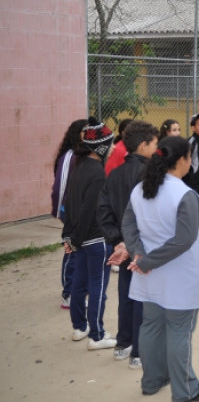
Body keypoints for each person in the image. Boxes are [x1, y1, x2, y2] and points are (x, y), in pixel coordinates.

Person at [121, 136, 199, 401]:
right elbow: (184, 240)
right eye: (189, 157)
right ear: (182, 160)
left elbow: (128, 223)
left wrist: (139, 253)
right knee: (179, 331)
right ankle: (186, 390)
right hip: (177, 278)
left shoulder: (141, 189)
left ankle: (152, 380)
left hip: (148, 276)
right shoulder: (185, 195)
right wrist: (144, 260)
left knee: (151, 326)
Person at [97, 120, 159, 368]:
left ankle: (124, 343)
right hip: (142, 247)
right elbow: (149, 213)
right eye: (155, 144)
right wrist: (129, 244)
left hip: (124, 248)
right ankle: (139, 353)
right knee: (144, 298)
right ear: (143, 146)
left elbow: (103, 212)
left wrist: (118, 242)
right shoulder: (149, 175)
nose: (157, 149)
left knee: (127, 295)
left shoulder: (114, 174)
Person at [62, 118, 116, 350]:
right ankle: (97, 335)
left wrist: (70, 236)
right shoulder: (97, 173)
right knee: (97, 287)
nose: (113, 148)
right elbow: (88, 211)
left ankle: (80, 327)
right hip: (94, 238)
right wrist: (74, 238)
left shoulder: (80, 166)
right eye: (111, 144)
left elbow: (71, 204)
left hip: (80, 238)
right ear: (102, 147)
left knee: (79, 283)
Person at [51, 118, 89, 310]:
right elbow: (60, 187)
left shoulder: (85, 155)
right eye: (85, 131)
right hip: (71, 212)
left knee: (82, 251)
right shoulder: (70, 156)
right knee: (72, 250)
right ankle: (68, 294)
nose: (89, 134)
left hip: (83, 212)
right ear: (77, 134)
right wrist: (61, 212)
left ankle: (78, 290)